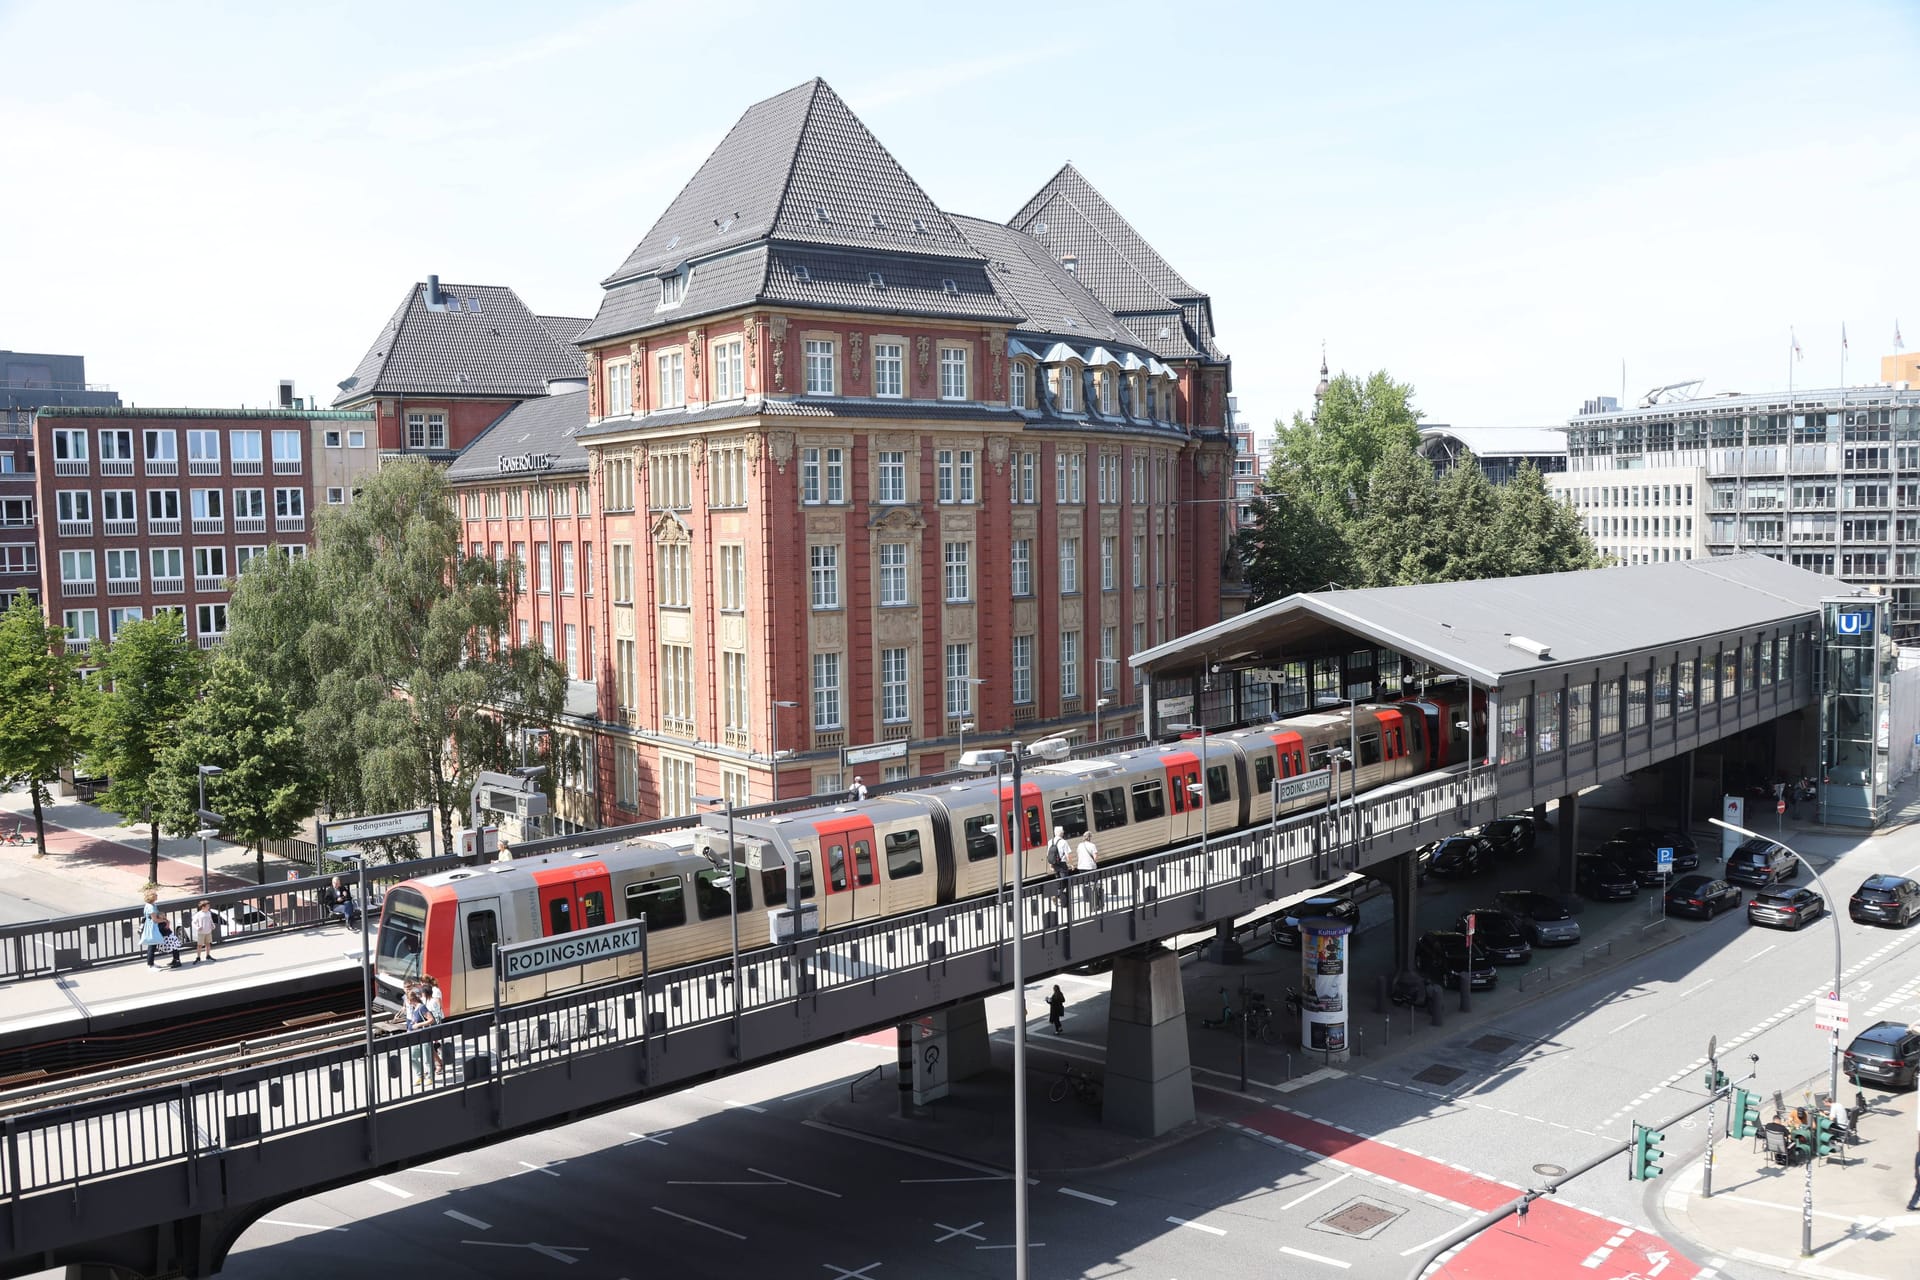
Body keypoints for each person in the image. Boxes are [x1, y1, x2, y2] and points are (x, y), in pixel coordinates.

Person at [403, 989, 430, 1086]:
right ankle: (420, 1075)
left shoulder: (421, 1007)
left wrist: (418, 1025)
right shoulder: (414, 1009)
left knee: (427, 1058)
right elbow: (414, 1021)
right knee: (412, 1057)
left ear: (411, 1000)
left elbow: (430, 1019)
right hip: (416, 1037)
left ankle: (430, 1077)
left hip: (424, 1036)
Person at [421, 974, 447, 1074]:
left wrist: (436, 1023)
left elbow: (437, 1010)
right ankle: (436, 1062)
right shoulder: (423, 999)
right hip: (427, 1024)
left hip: (433, 1023)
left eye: (422, 982)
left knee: (432, 1045)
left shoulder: (435, 992)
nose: (421, 984)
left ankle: (438, 1064)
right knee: (430, 1045)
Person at [139, 888, 165, 968]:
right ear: (152, 897)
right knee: (152, 946)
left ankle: (151, 963)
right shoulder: (151, 907)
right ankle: (150, 965)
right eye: (156, 895)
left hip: (152, 927)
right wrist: (164, 920)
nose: (157, 896)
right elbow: (154, 920)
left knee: (152, 946)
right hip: (152, 928)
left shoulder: (151, 905)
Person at [1075, 835, 1100, 909]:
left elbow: (1078, 854)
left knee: (1085, 883)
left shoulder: (1079, 845)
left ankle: (1087, 898)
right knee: (1093, 882)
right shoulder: (1092, 845)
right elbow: (1095, 858)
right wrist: (1094, 862)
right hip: (1090, 867)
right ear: (1089, 838)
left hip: (1081, 866)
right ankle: (1094, 898)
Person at [192, 899, 215, 964]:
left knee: (208, 944)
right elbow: (193, 922)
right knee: (199, 945)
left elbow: (210, 920)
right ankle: (198, 957)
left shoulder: (209, 913)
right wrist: (197, 927)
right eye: (207, 906)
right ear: (203, 907)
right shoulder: (198, 914)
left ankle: (208, 955)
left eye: (208, 906)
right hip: (201, 932)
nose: (208, 907)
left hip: (208, 931)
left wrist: (212, 925)